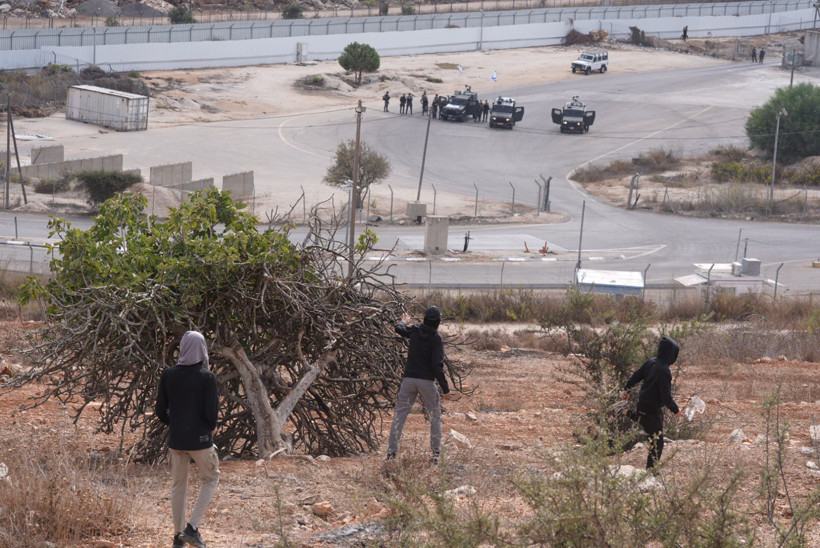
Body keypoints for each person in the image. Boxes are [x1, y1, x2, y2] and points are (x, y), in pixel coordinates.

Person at [156, 331, 220, 548]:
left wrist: (174, 424)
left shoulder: (168, 374)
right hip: (200, 440)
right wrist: (207, 429)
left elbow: (160, 410)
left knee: (178, 485)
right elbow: (211, 414)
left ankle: (177, 536)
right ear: (202, 348)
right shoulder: (207, 377)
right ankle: (192, 529)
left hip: (177, 441)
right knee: (211, 478)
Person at [387, 306, 452, 463]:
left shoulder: (414, 330)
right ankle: (436, 453)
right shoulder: (437, 339)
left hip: (408, 380)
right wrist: (446, 389)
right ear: (438, 322)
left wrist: (404, 321)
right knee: (434, 416)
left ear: (424, 319)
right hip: (427, 382)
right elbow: (437, 366)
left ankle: (391, 454)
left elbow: (399, 328)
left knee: (399, 417)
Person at [621, 336, 683, 471]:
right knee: (657, 443)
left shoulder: (651, 362)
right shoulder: (665, 371)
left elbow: (636, 376)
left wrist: (626, 389)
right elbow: (666, 396)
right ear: (671, 354)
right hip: (652, 408)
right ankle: (651, 473)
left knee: (647, 424)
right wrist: (676, 410)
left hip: (643, 403)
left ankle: (626, 412)